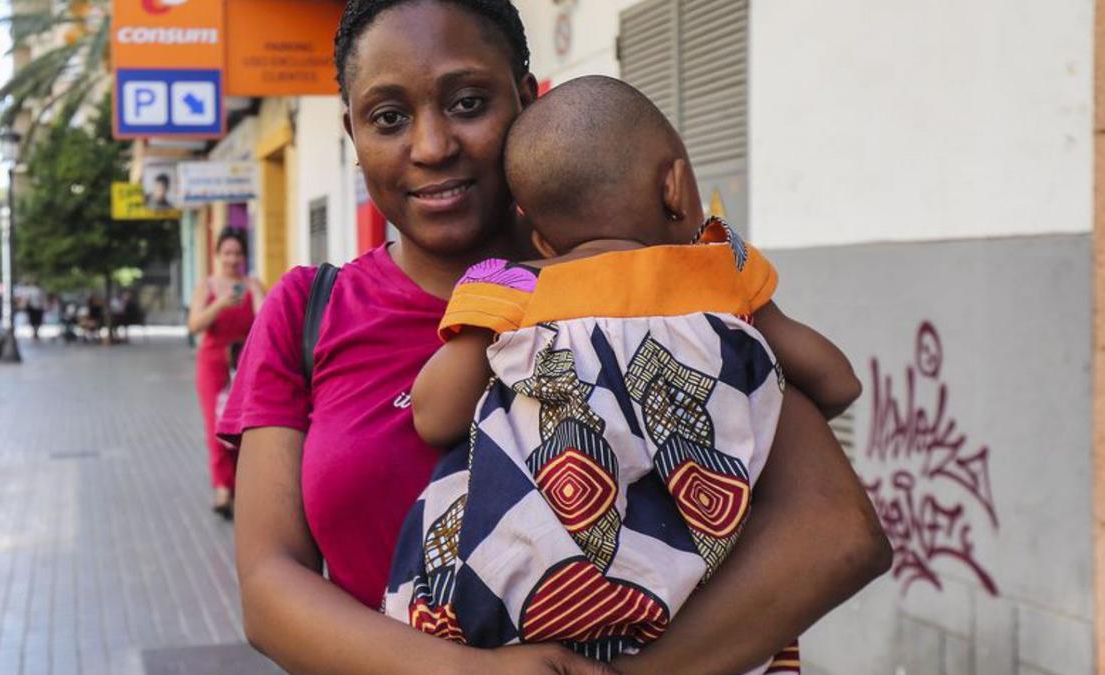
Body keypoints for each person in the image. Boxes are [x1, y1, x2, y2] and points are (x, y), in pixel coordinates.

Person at [220, 2, 890, 674]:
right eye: (388, 117)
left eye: (468, 102)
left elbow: (837, 533)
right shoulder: (307, 311)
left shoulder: (652, 280)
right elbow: (269, 588)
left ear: (526, 95)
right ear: (352, 133)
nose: (430, 146)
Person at [388, 76, 862, 668]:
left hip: (532, 614)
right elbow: (839, 382)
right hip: (698, 620)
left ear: (540, 236)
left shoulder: (510, 284)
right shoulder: (716, 274)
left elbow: (433, 416)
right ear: (677, 187)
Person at [189, 227, 264, 519]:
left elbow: (265, 322)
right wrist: (220, 303)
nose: (232, 259)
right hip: (212, 363)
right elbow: (194, 325)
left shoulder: (252, 284)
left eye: (237, 253)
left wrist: (256, 293)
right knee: (215, 425)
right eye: (227, 253)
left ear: (244, 256)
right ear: (218, 255)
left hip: (244, 363)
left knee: (242, 425)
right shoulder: (205, 286)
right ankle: (222, 487)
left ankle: (241, 487)